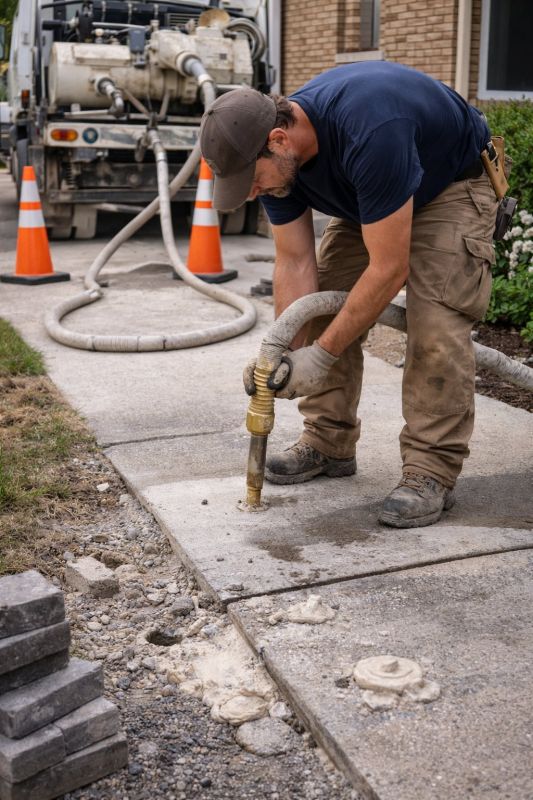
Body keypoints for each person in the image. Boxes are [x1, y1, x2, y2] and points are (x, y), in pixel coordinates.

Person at [199, 61, 500, 528]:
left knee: (435, 324)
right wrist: (288, 357)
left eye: (252, 180)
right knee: (318, 309)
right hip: (373, 196)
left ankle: (430, 469)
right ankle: (327, 440)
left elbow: (388, 268)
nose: (253, 191)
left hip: (451, 189)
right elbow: (294, 263)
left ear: (279, 140)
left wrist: (321, 357)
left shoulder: (370, 128)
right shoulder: (277, 158)